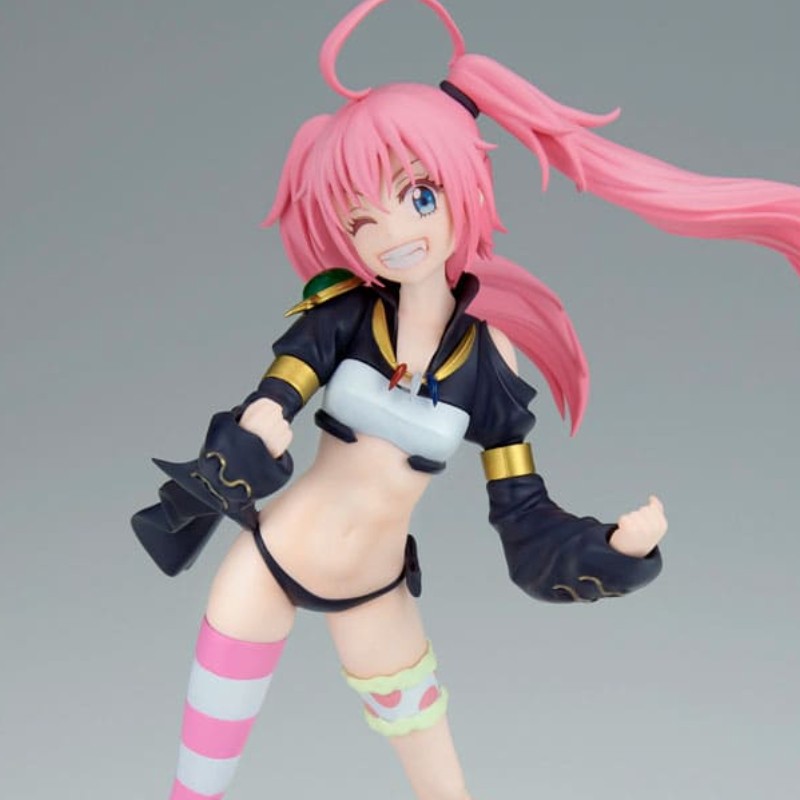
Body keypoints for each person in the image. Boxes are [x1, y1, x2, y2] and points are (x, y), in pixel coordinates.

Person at [131, 1, 800, 798]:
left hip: (376, 591)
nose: (393, 234)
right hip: (269, 563)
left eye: (417, 196)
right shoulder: (344, 318)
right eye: (362, 218)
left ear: (461, 187)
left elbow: (522, 512)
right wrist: (264, 419)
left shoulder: (487, 361)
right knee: (197, 784)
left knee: (444, 785)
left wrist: (615, 548)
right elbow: (280, 388)